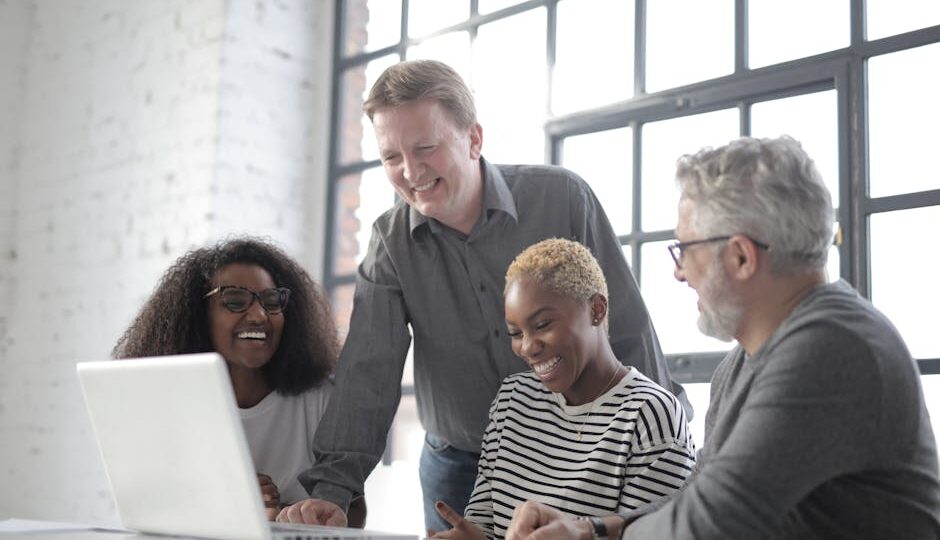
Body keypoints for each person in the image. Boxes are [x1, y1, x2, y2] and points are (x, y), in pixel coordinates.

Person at [277, 59, 688, 531]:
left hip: (580, 453)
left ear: (473, 139)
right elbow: (368, 371)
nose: (410, 172)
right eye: (391, 157)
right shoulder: (390, 242)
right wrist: (333, 489)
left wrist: (664, 436)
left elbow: (626, 326)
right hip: (460, 462)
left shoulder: (563, 198)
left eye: (426, 148)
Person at [504, 136, 940, 539]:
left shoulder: (833, 347)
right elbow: (699, 499)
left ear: (740, 256)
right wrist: (594, 529)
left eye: (685, 250)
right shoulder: (742, 364)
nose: (679, 272)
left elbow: (712, 525)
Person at [427, 238, 695, 540]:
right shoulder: (512, 401)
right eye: (515, 333)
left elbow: (651, 535)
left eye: (542, 324)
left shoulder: (649, 415)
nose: (527, 347)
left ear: (596, 309)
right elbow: (486, 528)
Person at [112, 237, 365, 526]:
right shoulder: (165, 403)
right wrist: (230, 508)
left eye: (271, 301)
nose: (259, 315)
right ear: (198, 314)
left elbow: (356, 513)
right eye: (234, 300)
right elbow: (144, 511)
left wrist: (290, 513)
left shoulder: (320, 399)